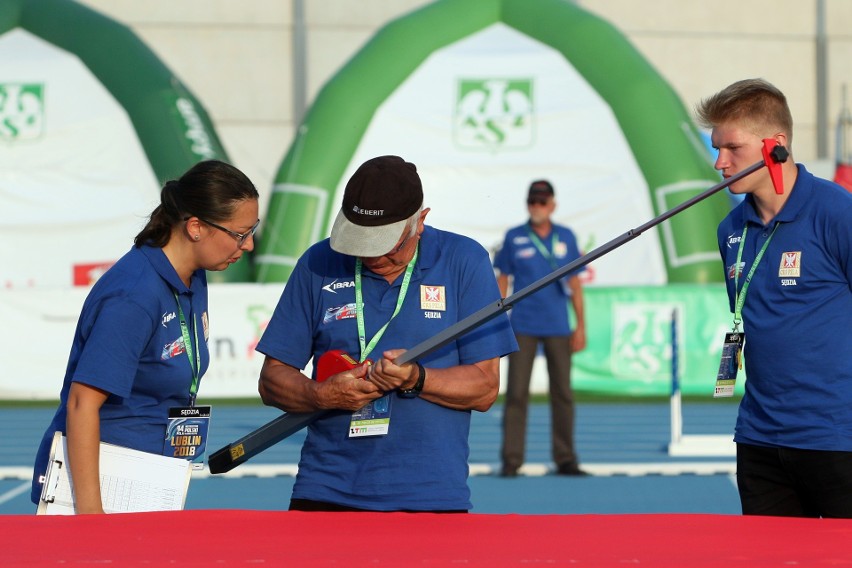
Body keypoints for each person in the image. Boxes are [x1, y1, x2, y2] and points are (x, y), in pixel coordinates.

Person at [256, 155, 518, 512]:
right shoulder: (318, 262)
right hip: (325, 492)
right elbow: (272, 379)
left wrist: (416, 378)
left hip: (430, 497)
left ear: (420, 221)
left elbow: (484, 389)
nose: (370, 256)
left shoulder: (464, 261)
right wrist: (320, 395)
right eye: (358, 242)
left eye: (384, 244)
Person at [30, 160, 259, 514]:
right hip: (102, 486)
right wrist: (91, 518)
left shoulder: (193, 277)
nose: (249, 246)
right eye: (241, 233)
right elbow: (82, 404)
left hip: (152, 477)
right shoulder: (134, 296)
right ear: (196, 227)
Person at [697, 78, 852, 518]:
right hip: (759, 439)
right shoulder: (730, 230)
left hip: (837, 440)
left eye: (732, 149)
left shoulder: (837, 213)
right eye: (716, 149)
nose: (720, 163)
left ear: (776, 145)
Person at [493, 180, 587, 477]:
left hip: (559, 324)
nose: (537, 206)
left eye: (542, 202)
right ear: (527, 204)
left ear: (553, 205)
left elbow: (574, 283)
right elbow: (503, 278)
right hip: (523, 325)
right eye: (533, 201)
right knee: (517, 394)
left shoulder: (566, 236)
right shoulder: (515, 236)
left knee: (563, 394)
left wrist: (581, 325)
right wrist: (497, 319)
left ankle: (565, 458)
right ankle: (511, 460)